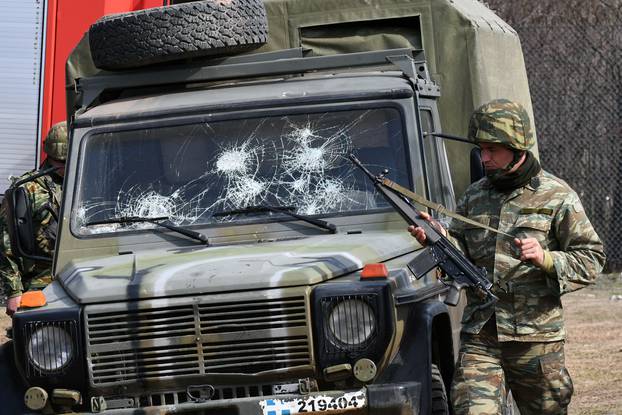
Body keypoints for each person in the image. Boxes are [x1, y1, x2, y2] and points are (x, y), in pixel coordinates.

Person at [409, 99, 605, 415]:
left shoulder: (557, 195)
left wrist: (547, 259)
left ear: (517, 147)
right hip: (482, 335)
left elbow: (592, 259)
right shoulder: (474, 196)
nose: (483, 158)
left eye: (492, 150)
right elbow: (462, 254)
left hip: (535, 339)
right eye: (480, 150)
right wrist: (439, 239)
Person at [1, 121, 67, 316]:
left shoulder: (92, 182)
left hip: (85, 275)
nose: (64, 166)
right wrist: (14, 291)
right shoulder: (27, 189)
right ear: (50, 155)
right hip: (41, 280)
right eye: (59, 161)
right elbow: (5, 242)